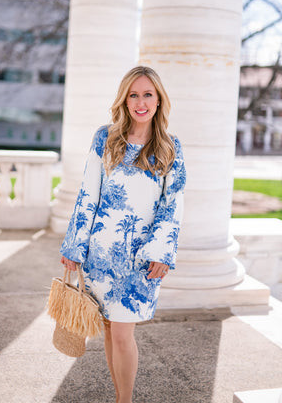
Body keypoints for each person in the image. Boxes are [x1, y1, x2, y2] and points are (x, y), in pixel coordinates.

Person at [59, 65, 187, 403]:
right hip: (100, 256)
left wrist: (162, 251)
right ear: (125, 100)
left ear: (159, 101)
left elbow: (172, 205)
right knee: (110, 331)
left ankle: (124, 400)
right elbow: (88, 193)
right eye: (134, 94)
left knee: (122, 335)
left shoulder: (171, 148)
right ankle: (120, 397)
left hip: (141, 259)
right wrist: (75, 245)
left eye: (148, 94)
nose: (140, 102)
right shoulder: (105, 138)